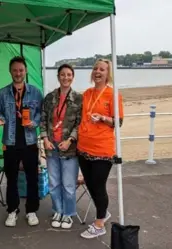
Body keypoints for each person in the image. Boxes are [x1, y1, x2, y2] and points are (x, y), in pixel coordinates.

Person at [0, 56, 43, 227]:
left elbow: (41, 115)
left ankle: (31, 211)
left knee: (32, 178)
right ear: (10, 71)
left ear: (26, 71)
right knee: (11, 178)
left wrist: (33, 122)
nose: (18, 73)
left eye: (21, 70)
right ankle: (12, 210)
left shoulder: (36, 92)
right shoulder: (1, 93)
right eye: (15, 70)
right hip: (10, 143)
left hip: (30, 142)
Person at [77, 58, 124, 239]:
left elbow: (119, 122)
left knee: (98, 185)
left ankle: (99, 224)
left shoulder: (113, 95)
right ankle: (103, 213)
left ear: (107, 74)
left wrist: (103, 118)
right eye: (96, 68)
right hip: (83, 147)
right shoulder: (87, 93)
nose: (98, 71)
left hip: (102, 149)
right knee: (89, 184)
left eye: (102, 69)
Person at [40, 64, 82, 229]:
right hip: (51, 146)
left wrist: (70, 139)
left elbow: (80, 124)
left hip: (69, 148)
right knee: (54, 183)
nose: (66, 77)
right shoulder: (49, 98)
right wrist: (44, 138)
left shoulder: (79, 99)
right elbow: (43, 119)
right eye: (62, 74)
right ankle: (57, 209)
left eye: (69, 74)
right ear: (58, 76)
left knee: (69, 184)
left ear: (73, 77)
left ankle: (68, 213)